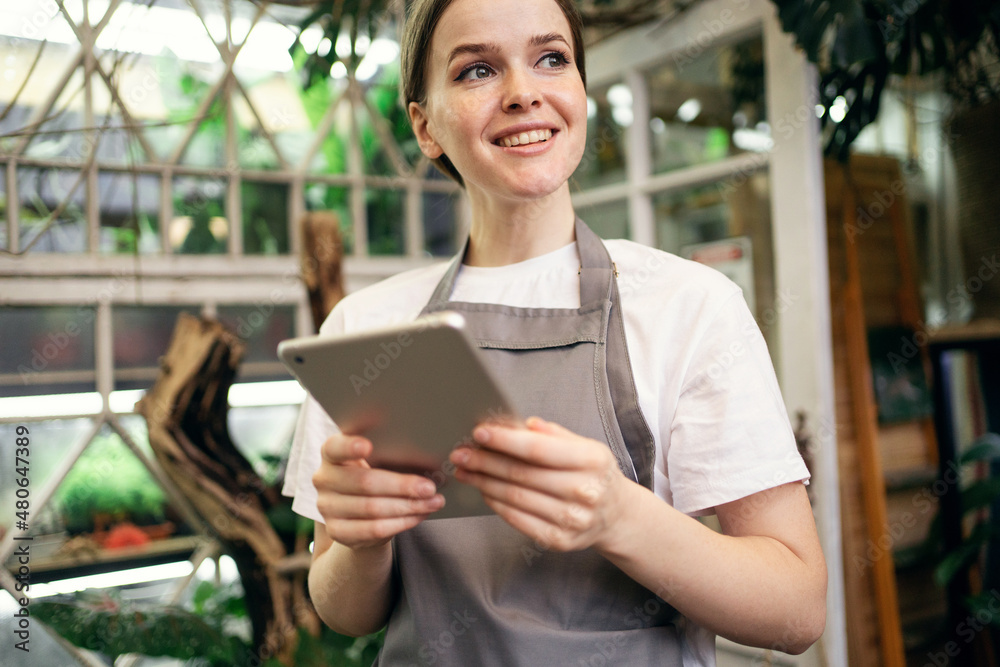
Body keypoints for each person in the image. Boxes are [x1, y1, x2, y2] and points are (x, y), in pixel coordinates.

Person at [283, 0, 828, 663]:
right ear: (425, 127)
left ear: (580, 93)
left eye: (551, 59)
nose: (523, 93)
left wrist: (620, 516)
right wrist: (362, 538)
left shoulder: (691, 305)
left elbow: (797, 609)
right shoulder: (366, 329)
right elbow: (343, 609)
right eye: (477, 69)